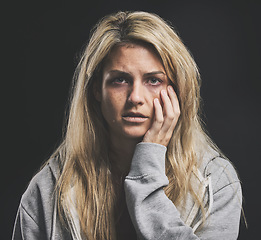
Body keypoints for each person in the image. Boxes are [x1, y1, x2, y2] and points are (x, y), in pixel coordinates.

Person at [12, 11, 242, 240]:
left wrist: (147, 171)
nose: (135, 98)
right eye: (119, 80)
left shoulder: (215, 182)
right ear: (96, 90)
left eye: (153, 80)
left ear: (177, 91)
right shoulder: (47, 190)